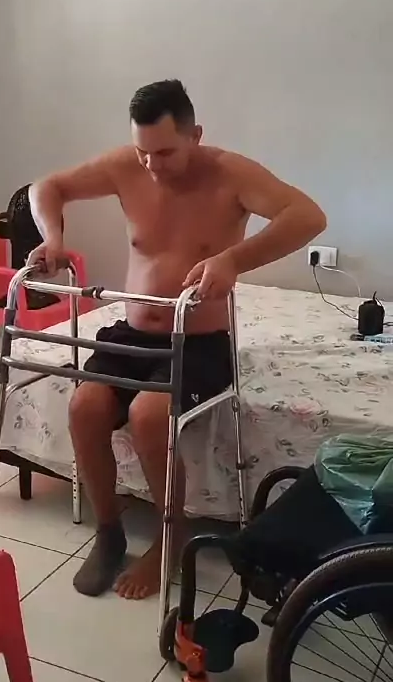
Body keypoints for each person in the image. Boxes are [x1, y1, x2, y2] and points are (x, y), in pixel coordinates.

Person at [29, 79, 326, 600]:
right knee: (84, 407)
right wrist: (53, 238)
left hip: (199, 339)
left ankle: (173, 536)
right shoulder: (127, 165)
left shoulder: (231, 174)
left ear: (196, 135)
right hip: (132, 333)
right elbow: (46, 187)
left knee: (148, 415)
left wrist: (233, 260)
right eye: (143, 152)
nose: (152, 165)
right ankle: (109, 532)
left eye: (164, 152)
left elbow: (308, 216)